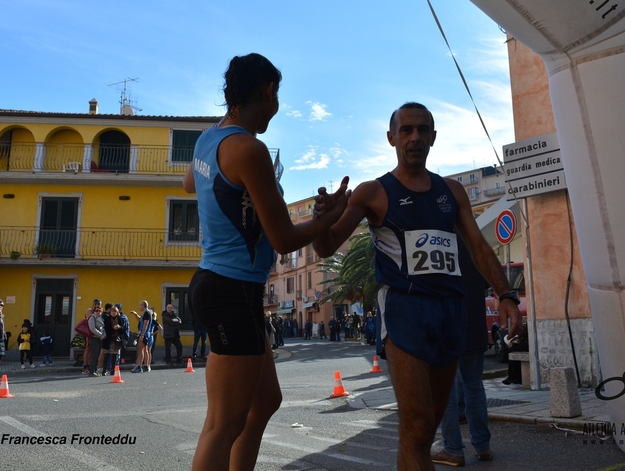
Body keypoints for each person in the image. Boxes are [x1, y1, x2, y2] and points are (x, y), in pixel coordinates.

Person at [313, 102, 521, 470]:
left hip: (450, 312)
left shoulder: (452, 192)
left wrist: (505, 294)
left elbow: (478, 247)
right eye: (406, 130)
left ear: (433, 138)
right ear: (391, 137)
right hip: (405, 311)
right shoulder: (372, 192)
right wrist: (323, 217)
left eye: (423, 130)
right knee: (418, 424)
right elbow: (327, 246)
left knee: (424, 432)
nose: (415, 137)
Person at [182, 53, 349, 471]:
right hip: (230, 288)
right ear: (268, 91)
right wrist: (327, 217)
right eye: (278, 96)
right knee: (223, 424)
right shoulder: (249, 149)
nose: (277, 107)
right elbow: (284, 238)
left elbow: (190, 182)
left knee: (266, 401)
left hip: (224, 285)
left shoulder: (210, 138)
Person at [432, 235, 494, 467]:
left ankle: (453, 450)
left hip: (445, 329)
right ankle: (482, 446)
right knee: (474, 387)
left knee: (446, 392)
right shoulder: (473, 246)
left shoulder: (434, 245)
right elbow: (485, 283)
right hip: (474, 328)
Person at [103, 304, 126, 375]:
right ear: (110, 312)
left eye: (115, 311)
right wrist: (113, 329)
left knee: (115, 355)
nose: (113, 312)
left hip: (117, 339)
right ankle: (104, 370)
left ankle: (113, 370)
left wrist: (119, 328)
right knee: (107, 354)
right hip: (109, 339)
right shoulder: (107, 319)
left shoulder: (121, 319)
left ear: (117, 312)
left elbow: (124, 329)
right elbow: (106, 329)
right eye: (112, 311)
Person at [129, 300, 152, 373]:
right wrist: (135, 314)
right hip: (146, 333)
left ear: (143, 305)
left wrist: (142, 334)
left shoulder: (146, 313)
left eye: (140, 305)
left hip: (144, 333)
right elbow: (140, 320)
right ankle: (146, 366)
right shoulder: (146, 313)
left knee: (140, 350)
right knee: (145, 350)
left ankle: (139, 366)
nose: (139, 306)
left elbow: (146, 323)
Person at [83, 299, 101, 373]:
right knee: (88, 349)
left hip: (96, 333)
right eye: (97, 304)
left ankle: (91, 365)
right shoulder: (89, 310)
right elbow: (90, 319)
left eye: (99, 304)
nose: (98, 306)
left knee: (92, 351)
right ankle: (85, 366)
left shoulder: (98, 310)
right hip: (89, 332)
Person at [86, 305, 105, 376]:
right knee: (94, 354)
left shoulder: (101, 318)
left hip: (99, 338)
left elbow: (102, 328)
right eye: (96, 311)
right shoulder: (92, 317)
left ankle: (94, 370)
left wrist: (103, 335)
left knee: (97, 355)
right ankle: (91, 371)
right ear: (94, 311)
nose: (98, 312)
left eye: (100, 311)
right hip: (94, 338)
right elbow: (92, 328)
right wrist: (100, 335)